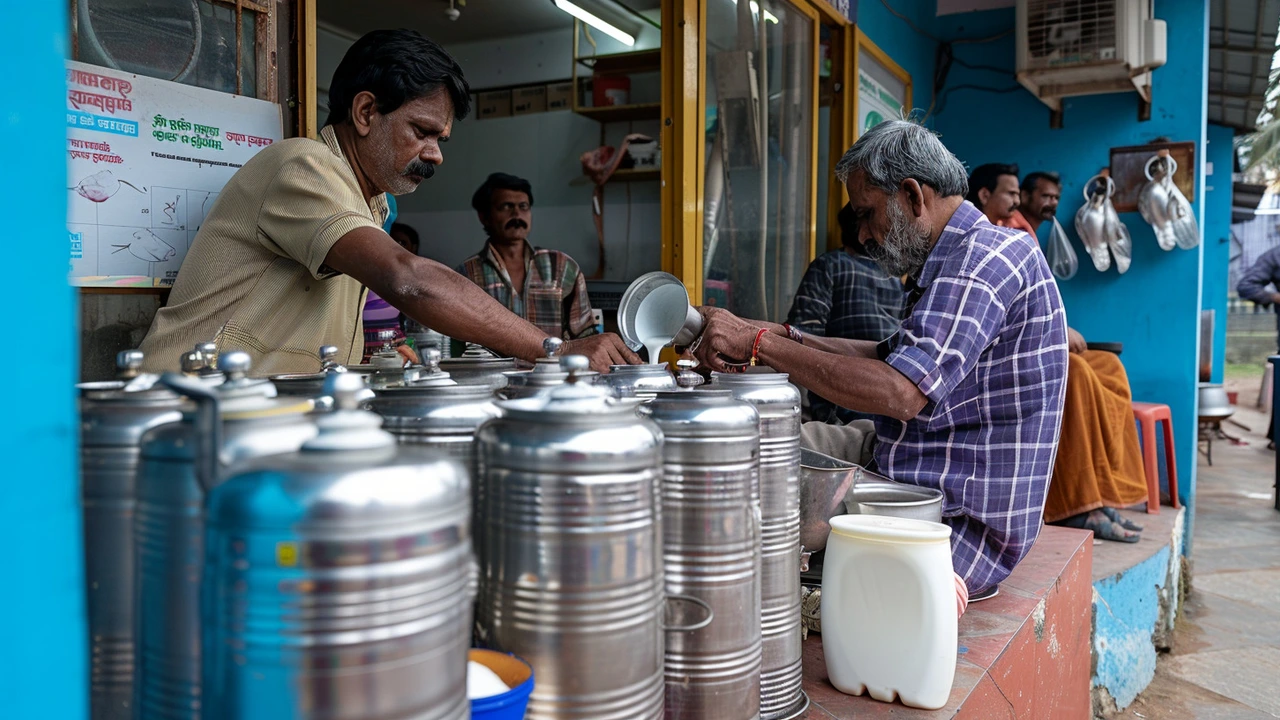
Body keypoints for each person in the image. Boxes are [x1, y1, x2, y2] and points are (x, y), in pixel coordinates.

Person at [692, 120, 1069, 609]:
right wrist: (779, 334)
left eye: (867, 213)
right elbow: (884, 355)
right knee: (754, 438)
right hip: (910, 462)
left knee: (741, 496)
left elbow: (899, 391)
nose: (864, 233)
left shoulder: (982, 261)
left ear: (913, 196)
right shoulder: (963, 256)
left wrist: (758, 342)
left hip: (950, 523)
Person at [138, 29, 636, 375]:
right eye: (422, 132)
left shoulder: (366, 204)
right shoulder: (301, 167)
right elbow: (409, 279)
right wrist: (556, 348)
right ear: (365, 111)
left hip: (258, 418)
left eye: (441, 138)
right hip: (189, 410)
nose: (435, 155)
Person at [786, 203, 904, 423]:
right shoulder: (894, 277)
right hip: (886, 399)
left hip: (839, 399)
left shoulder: (829, 265)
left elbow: (800, 334)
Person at [457, 173, 599, 340]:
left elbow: (585, 336)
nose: (516, 214)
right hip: (493, 367)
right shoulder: (466, 274)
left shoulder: (562, 267)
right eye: (506, 206)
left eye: (523, 206)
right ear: (484, 217)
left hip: (552, 366)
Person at [1042, 328, 1148, 541]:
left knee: (1109, 365)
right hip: (1012, 352)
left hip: (1045, 341)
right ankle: (1077, 507)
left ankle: (1101, 495)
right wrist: (1056, 328)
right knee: (1075, 370)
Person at [361, 221, 421, 363]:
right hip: (360, 359)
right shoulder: (361, 276)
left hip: (396, 357)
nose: (394, 247)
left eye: (401, 242)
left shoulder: (414, 281)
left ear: (414, 248)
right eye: (391, 240)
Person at [967, 163, 1037, 236]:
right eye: (1011, 193)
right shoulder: (963, 231)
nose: (1017, 201)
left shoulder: (1017, 227)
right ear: (984, 195)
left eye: (1017, 194)